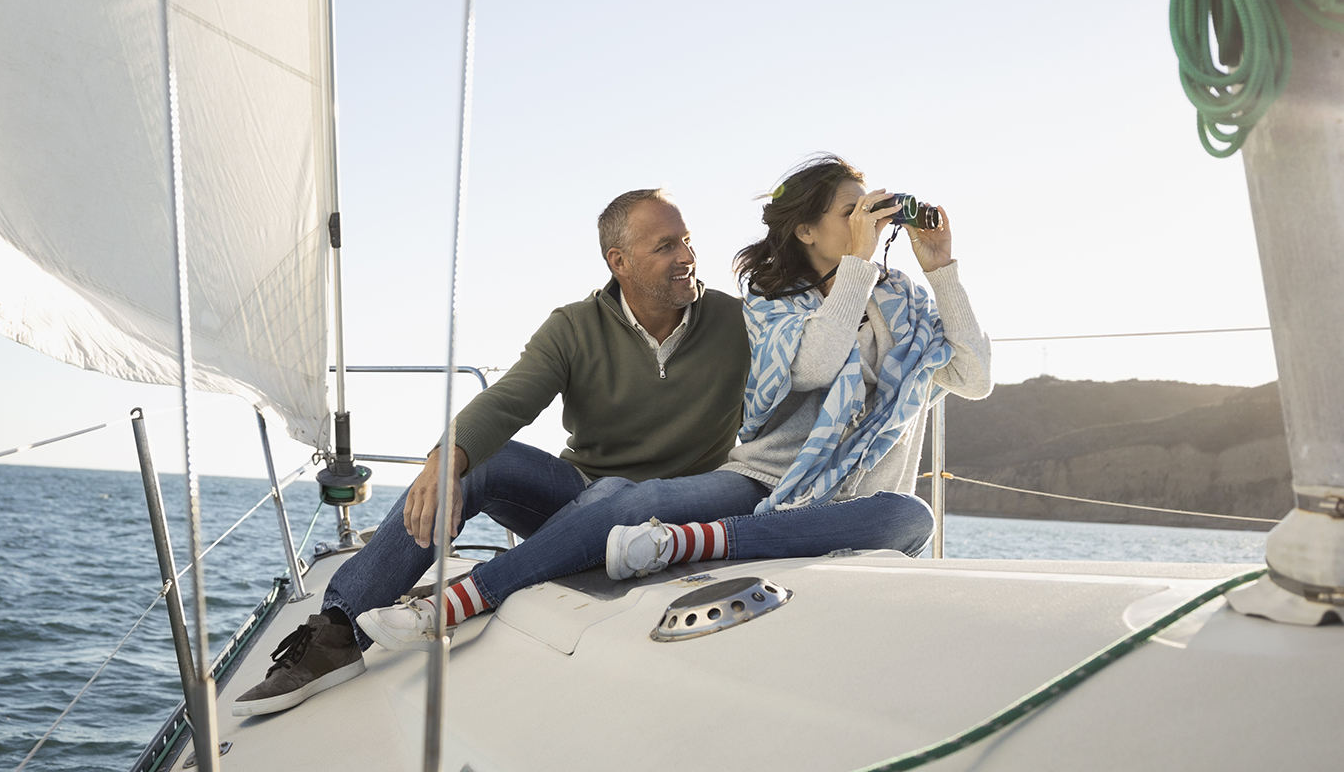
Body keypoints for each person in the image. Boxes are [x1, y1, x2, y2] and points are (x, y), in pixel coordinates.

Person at [356, 154, 990, 650]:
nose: (868, 220)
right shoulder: (772, 307)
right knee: (619, 499)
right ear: (806, 228)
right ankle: (424, 607)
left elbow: (974, 376)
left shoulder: (901, 303)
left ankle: (686, 543)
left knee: (911, 518)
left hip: (844, 508)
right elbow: (818, 361)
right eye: (852, 209)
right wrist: (449, 453)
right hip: (760, 487)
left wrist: (940, 265)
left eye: (871, 210)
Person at [232, 188, 749, 716]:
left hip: (687, 509)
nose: (687, 257)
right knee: (484, 464)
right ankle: (337, 634)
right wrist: (444, 461)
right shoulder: (574, 327)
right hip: (582, 499)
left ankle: (481, 588)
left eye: (687, 241)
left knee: (618, 494)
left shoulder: (739, 322)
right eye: (666, 246)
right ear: (618, 262)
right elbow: (507, 402)